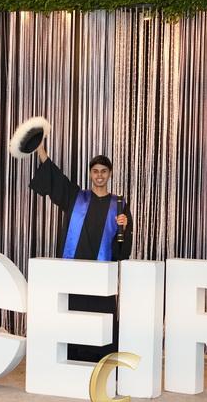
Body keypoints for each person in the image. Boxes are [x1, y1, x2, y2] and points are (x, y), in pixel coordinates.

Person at [29, 139, 133, 362]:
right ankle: (72, 356)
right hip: (74, 272)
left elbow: (123, 249)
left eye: (103, 171)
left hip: (101, 275)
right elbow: (57, 179)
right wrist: (41, 151)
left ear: (110, 174)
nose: (99, 175)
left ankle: (102, 359)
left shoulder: (119, 205)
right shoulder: (77, 197)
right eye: (95, 171)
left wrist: (124, 227)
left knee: (101, 317)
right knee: (74, 314)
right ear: (90, 174)